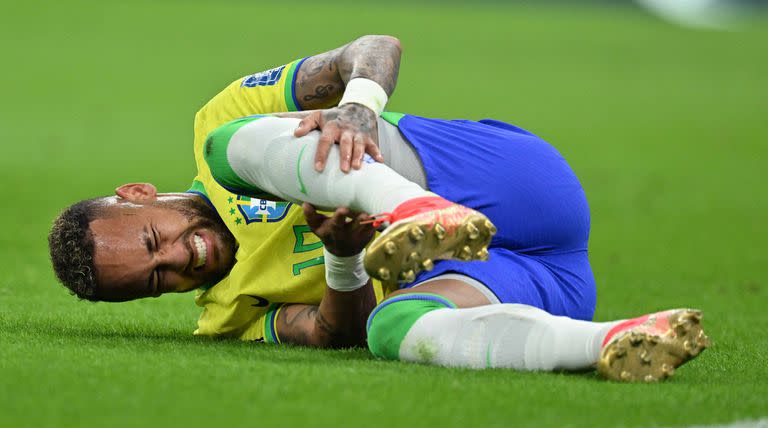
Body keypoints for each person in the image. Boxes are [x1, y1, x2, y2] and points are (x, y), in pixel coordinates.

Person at [48, 35, 709, 382]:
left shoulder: (221, 122)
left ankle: (415, 207)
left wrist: (357, 109)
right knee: (393, 332)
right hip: (535, 285)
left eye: (150, 243)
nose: (178, 259)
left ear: (137, 194)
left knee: (230, 146)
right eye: (157, 280)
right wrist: (341, 258)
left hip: (505, 182)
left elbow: (376, 47)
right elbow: (336, 333)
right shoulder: (228, 315)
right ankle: (614, 339)